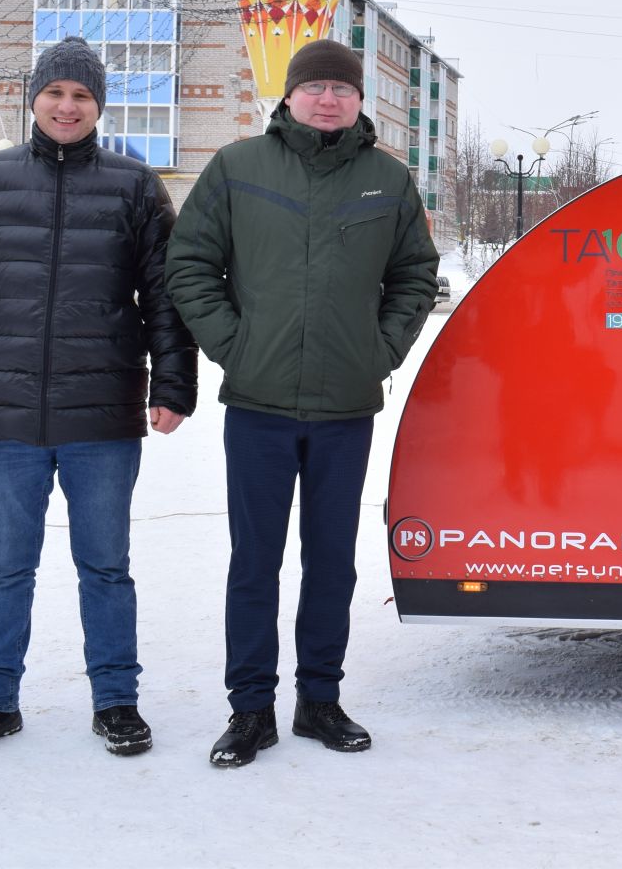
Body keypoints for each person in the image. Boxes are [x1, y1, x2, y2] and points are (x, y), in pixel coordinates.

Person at [0, 36, 196, 758]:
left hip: (101, 413)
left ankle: (117, 700)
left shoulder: (135, 185)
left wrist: (173, 383)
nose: (67, 107)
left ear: (98, 105)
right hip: (2, 413)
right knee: (7, 565)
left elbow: (164, 296)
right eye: (56, 94)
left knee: (106, 564)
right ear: (33, 100)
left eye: (81, 96)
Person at [165, 39, 438, 768]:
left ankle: (320, 699)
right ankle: (250, 710)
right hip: (258, 404)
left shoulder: (387, 180)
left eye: (341, 89)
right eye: (314, 86)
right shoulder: (238, 168)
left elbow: (416, 275)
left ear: (359, 101)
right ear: (288, 96)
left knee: (331, 563)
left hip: (345, 407)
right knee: (254, 562)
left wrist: (378, 352)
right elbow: (189, 264)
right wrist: (235, 345)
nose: (328, 99)